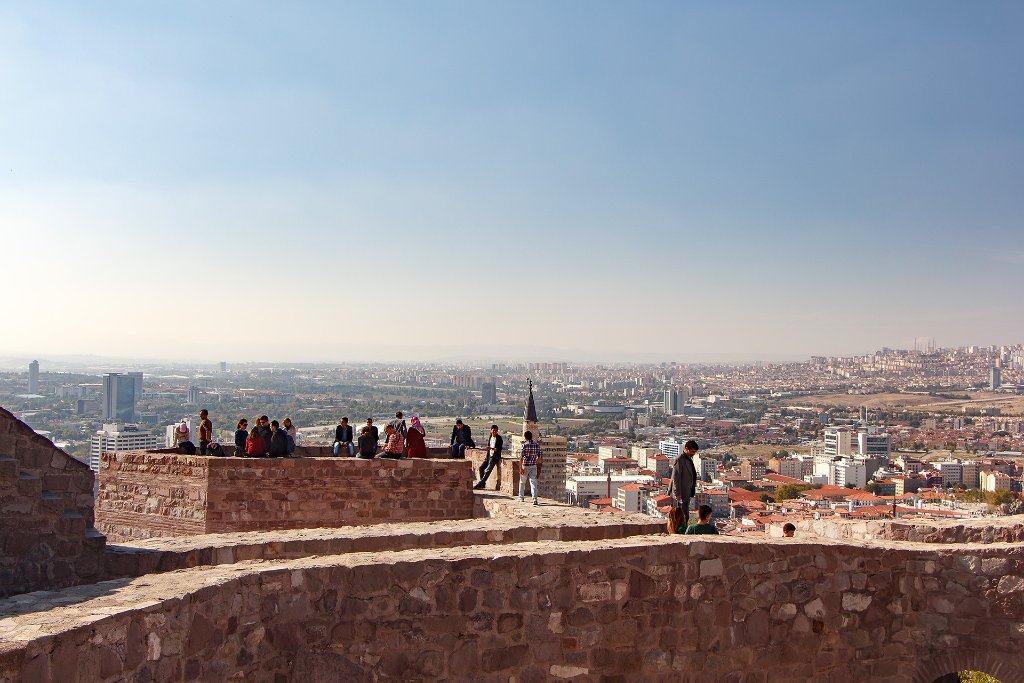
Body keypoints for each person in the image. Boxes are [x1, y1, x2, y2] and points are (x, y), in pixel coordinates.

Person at [667, 439, 699, 529]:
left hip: (686, 492)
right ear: (686, 449)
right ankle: (679, 531)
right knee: (681, 515)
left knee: (685, 515)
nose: (693, 453)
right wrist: (677, 493)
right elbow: (676, 477)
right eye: (692, 451)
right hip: (681, 493)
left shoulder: (688, 458)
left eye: (694, 452)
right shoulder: (680, 459)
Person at [474, 425, 503, 490]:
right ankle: (482, 484)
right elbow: (489, 447)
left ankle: (480, 484)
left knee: (487, 470)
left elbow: (498, 449)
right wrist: (486, 456)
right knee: (481, 468)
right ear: (491, 430)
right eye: (493, 430)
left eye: (495, 430)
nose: (494, 432)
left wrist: (491, 448)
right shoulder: (491, 437)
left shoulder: (499, 439)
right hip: (489, 456)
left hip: (495, 457)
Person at [517, 430, 542, 505]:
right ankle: (535, 498)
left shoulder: (524, 445)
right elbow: (539, 456)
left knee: (522, 482)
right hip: (533, 465)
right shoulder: (536, 445)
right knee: (533, 482)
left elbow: (521, 458)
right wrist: (537, 464)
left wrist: (520, 468)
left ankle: (521, 497)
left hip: (525, 465)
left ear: (525, 437)